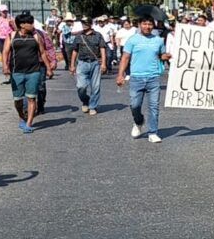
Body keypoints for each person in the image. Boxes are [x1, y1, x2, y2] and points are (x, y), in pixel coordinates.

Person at [116, 15, 171, 143]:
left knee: (154, 106)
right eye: (145, 24)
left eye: (150, 24)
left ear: (153, 26)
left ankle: (153, 132)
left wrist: (166, 56)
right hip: (136, 78)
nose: (147, 27)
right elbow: (125, 58)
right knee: (135, 105)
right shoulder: (132, 40)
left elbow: (161, 55)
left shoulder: (158, 40)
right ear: (140, 25)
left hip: (154, 78)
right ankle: (138, 122)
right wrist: (120, 75)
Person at [1, 13, 53, 133]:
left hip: (33, 72)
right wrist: (5, 66)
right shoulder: (12, 36)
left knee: (31, 98)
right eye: (30, 23)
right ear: (22, 25)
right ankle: (21, 116)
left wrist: (49, 68)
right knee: (18, 100)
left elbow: (43, 53)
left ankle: (29, 123)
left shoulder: (36, 36)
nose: (32, 25)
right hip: (17, 72)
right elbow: (5, 52)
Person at [69, 17, 107, 115]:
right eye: (83, 23)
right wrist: (72, 65)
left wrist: (103, 63)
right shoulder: (79, 36)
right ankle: (85, 100)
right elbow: (74, 50)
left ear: (91, 24)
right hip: (82, 63)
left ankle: (92, 106)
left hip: (95, 63)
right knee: (81, 87)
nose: (84, 25)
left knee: (96, 86)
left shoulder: (98, 35)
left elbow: (102, 49)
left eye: (86, 23)